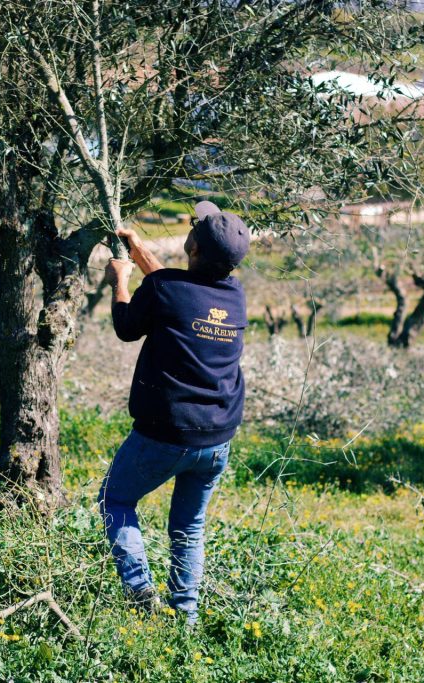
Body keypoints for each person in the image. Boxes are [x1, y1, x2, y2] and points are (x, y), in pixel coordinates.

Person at [98, 201, 250, 625]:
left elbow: (127, 326)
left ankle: (140, 591)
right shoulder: (235, 297)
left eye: (195, 227)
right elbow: (175, 289)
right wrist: (140, 250)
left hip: (165, 433)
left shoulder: (166, 289)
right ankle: (185, 617)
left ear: (193, 248)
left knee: (115, 498)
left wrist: (120, 280)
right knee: (190, 527)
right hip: (217, 437)